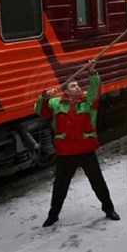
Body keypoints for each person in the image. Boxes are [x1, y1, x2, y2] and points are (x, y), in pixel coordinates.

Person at [35, 61, 120, 227]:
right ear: (65, 91)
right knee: (60, 186)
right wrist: (44, 96)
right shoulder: (56, 103)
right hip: (66, 153)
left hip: (85, 150)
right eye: (73, 86)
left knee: (98, 182)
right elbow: (40, 111)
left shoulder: (87, 101)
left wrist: (92, 73)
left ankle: (109, 209)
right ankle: (53, 215)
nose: (77, 87)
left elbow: (95, 89)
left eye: (78, 85)